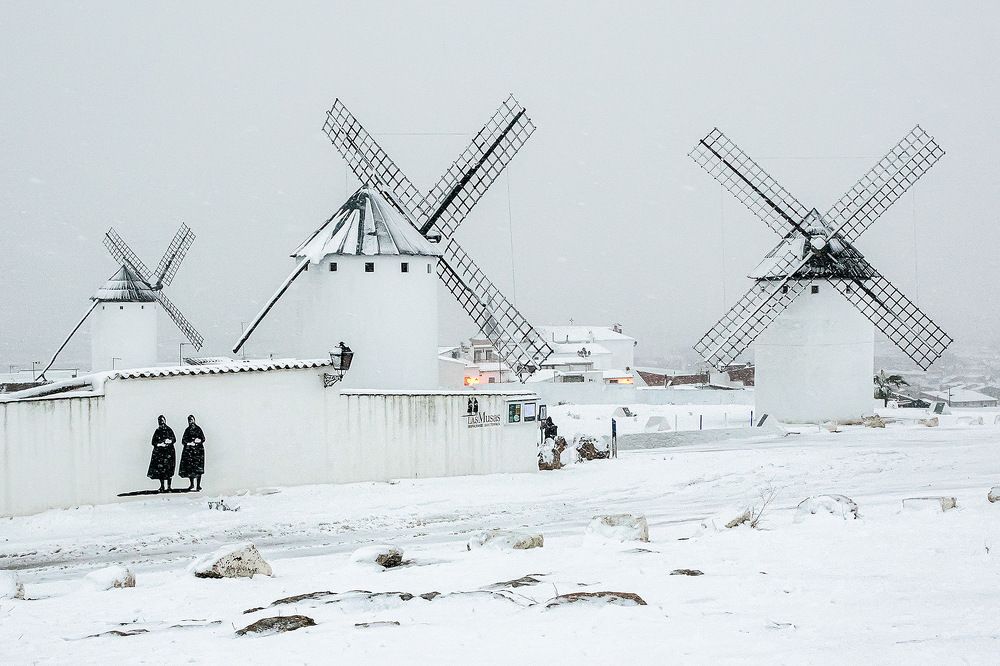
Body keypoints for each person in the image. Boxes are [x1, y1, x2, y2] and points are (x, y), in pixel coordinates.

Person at [147, 415, 176, 492]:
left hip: (169, 453)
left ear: (165, 421)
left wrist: (169, 441)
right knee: (160, 471)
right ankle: (162, 486)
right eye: (160, 421)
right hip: (160, 454)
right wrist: (159, 444)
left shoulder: (169, 430)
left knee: (169, 470)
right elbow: (153, 442)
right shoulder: (157, 431)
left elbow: (174, 439)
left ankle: (169, 487)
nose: (161, 422)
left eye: (162, 420)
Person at [179, 414, 206, 492]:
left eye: (191, 420)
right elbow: (183, 440)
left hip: (198, 452)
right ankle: (192, 484)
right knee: (190, 469)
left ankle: (198, 485)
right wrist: (188, 443)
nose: (190, 421)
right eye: (189, 420)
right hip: (189, 452)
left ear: (194, 420)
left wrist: (198, 441)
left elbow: (203, 438)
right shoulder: (187, 430)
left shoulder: (198, 429)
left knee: (198, 470)